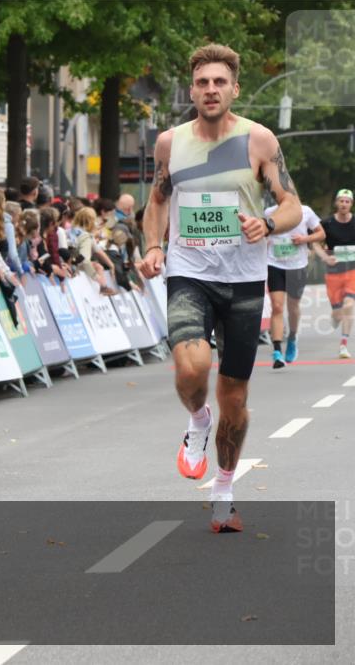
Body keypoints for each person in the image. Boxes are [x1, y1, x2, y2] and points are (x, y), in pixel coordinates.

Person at [141, 44, 302, 533]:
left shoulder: (259, 140)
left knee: (235, 395)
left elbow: (292, 204)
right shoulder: (170, 142)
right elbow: (158, 199)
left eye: (220, 82)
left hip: (245, 280)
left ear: (234, 88)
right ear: (192, 89)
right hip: (189, 273)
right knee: (192, 368)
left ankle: (224, 489)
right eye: (202, 83)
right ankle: (197, 418)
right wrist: (152, 245)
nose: (211, 90)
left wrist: (268, 224)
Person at [263, 201, 324, 366]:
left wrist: (304, 238)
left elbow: (321, 234)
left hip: (297, 266)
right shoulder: (270, 212)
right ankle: (276, 352)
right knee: (276, 306)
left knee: (293, 306)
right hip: (274, 263)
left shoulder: (305, 211)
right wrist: (265, 239)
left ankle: (292, 337)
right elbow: (263, 232)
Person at [312, 188, 355, 359]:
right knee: (338, 313)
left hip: (352, 271)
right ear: (336, 203)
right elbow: (314, 242)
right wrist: (324, 257)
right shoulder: (327, 224)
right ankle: (335, 316)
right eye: (341, 201)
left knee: (349, 305)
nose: (344, 204)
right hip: (334, 274)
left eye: (347, 201)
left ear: (351, 204)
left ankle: (343, 345)